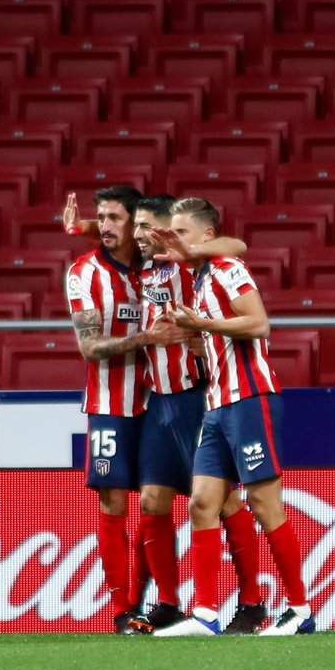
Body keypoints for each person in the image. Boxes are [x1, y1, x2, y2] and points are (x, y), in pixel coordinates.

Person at [154, 197, 314, 637]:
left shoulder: (226, 268)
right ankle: (205, 614)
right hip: (218, 404)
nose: (175, 240)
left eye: (182, 232)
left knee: (263, 503)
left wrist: (205, 326)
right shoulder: (202, 278)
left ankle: (300, 609)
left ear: (207, 235)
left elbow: (258, 323)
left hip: (249, 398)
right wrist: (197, 338)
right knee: (202, 503)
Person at [125, 197, 267, 634]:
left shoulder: (190, 264)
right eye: (136, 226)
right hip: (158, 398)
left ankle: (251, 601)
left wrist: (188, 247)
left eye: (147, 226)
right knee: (152, 500)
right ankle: (169, 603)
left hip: (194, 394)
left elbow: (236, 245)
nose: (139, 234)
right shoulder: (147, 268)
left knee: (221, 500)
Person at [65, 186, 194, 634]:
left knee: (156, 503)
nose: (105, 226)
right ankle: (123, 610)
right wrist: (146, 339)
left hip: (160, 399)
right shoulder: (83, 273)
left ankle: (166, 603)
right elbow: (89, 347)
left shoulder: (156, 264)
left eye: (115, 218)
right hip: (110, 404)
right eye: (99, 218)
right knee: (115, 501)